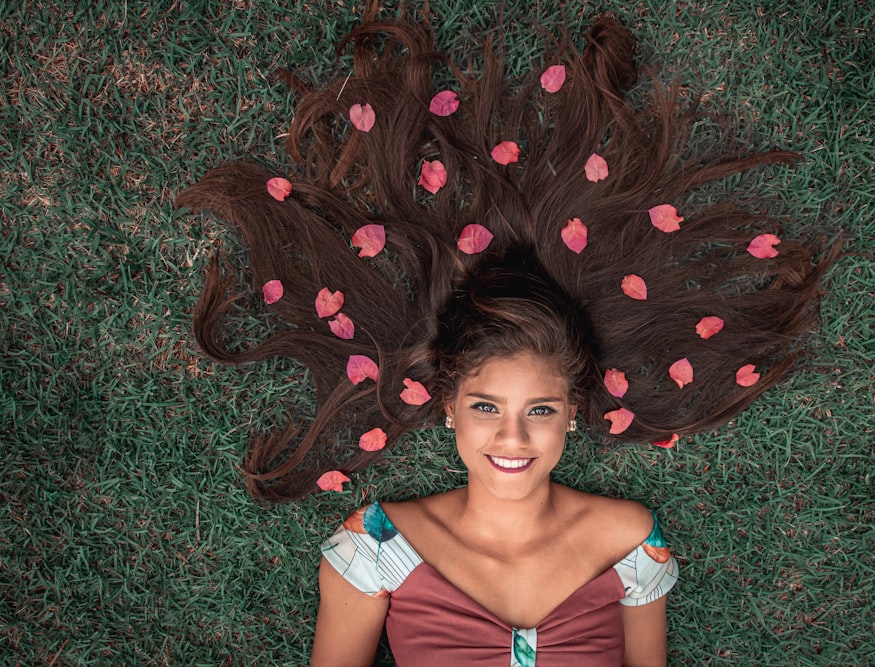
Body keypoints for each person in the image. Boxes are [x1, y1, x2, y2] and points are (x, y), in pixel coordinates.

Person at [177, 5, 837, 665]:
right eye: (486, 406)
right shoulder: (375, 545)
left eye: (540, 410)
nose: (513, 438)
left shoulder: (630, 543)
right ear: (448, 406)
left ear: (574, 414)